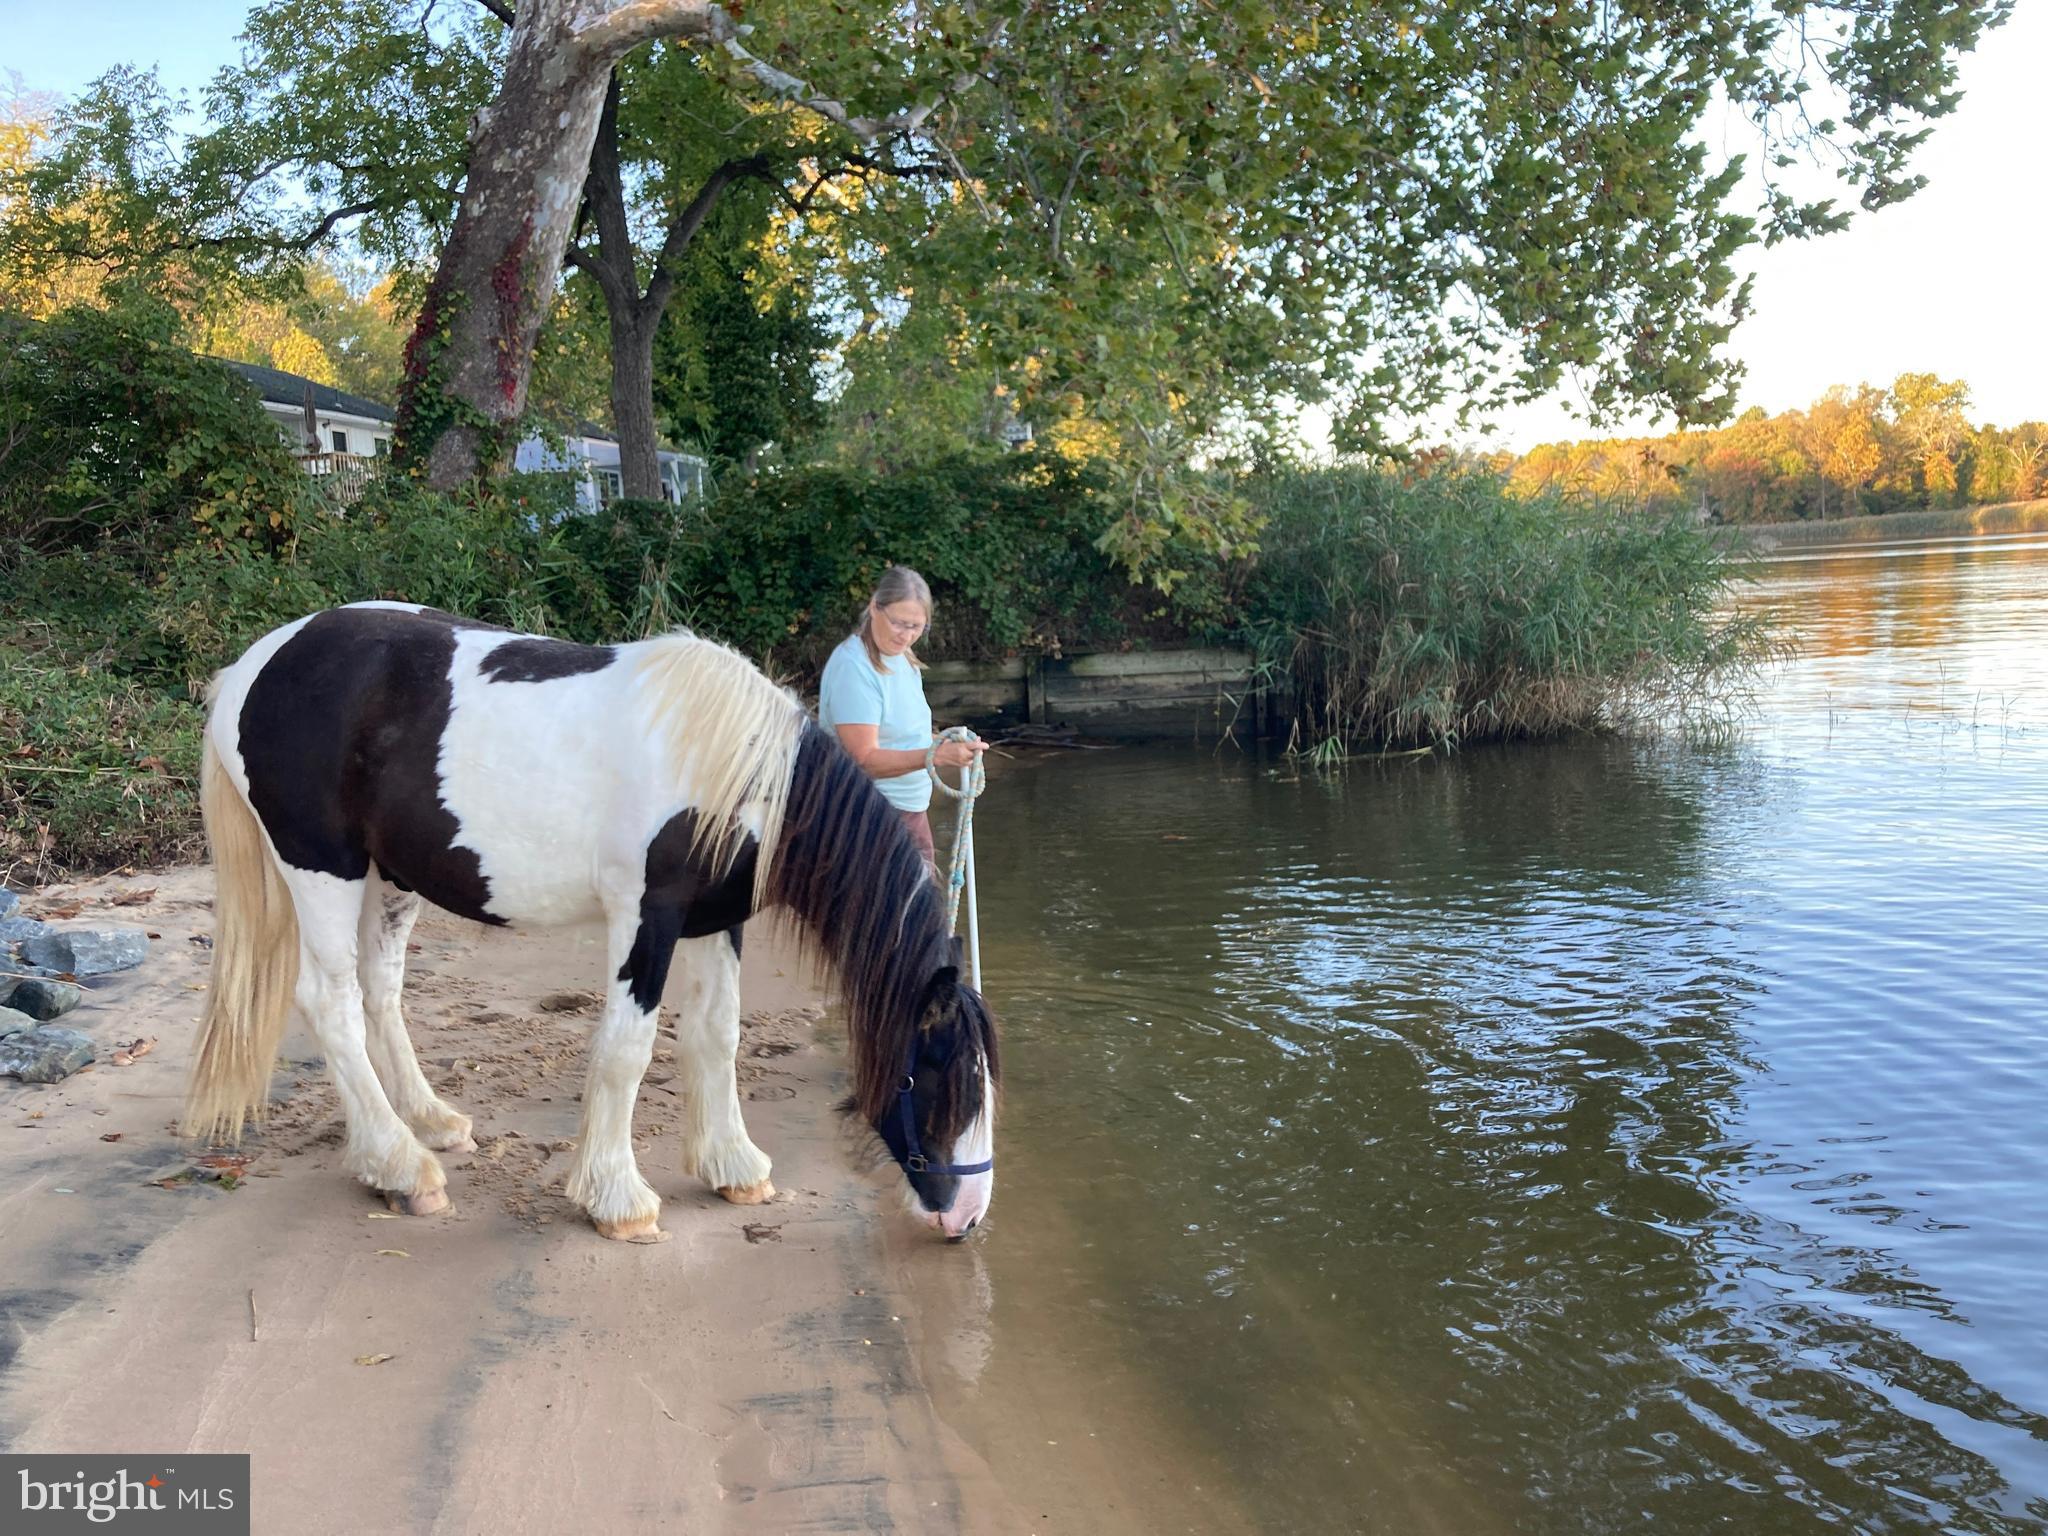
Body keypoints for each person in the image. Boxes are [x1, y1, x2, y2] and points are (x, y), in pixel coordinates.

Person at [819, 566, 986, 871]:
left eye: (917, 626)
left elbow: (903, 736)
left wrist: (945, 743)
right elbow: (864, 759)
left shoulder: (903, 659)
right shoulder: (853, 668)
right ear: (874, 607)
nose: (906, 635)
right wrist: (937, 755)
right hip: (868, 816)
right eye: (898, 623)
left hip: (908, 812)